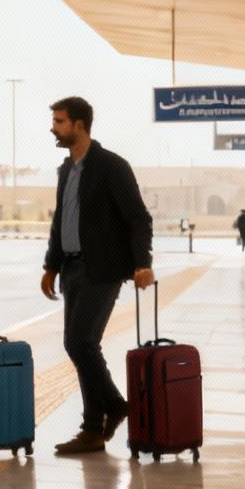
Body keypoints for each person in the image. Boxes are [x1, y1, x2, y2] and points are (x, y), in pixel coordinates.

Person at [41, 96, 155, 456]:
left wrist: (142, 263)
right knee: (80, 344)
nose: (54, 128)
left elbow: (139, 218)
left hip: (102, 269)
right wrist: (51, 264)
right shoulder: (65, 170)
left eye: (60, 122)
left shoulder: (111, 166)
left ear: (79, 124)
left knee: (80, 342)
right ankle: (109, 412)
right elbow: (61, 221)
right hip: (72, 268)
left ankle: (98, 421)